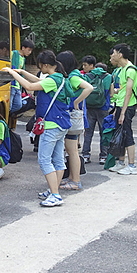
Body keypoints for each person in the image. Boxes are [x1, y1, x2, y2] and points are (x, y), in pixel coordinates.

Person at [3, 50, 73, 207]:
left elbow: (29, 86)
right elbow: (36, 81)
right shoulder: (59, 77)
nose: (40, 69)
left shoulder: (52, 80)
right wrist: (21, 71)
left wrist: (11, 73)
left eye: (40, 66)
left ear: (46, 65)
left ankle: (55, 195)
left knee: (44, 160)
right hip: (61, 124)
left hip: (51, 125)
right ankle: (54, 190)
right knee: (58, 161)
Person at [56, 51, 93, 191]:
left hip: (73, 118)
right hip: (75, 118)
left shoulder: (72, 77)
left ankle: (75, 180)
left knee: (72, 151)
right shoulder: (75, 75)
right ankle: (72, 178)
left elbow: (89, 88)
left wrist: (77, 101)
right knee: (71, 150)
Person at [108, 43, 137, 175]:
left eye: (114, 53)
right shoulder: (121, 69)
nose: (113, 55)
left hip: (128, 107)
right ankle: (121, 163)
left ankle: (132, 166)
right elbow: (120, 90)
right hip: (120, 106)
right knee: (120, 134)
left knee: (127, 135)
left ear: (120, 54)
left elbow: (128, 92)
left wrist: (123, 113)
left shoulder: (131, 69)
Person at [81, 55, 112, 165]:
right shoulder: (108, 76)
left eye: (85, 65)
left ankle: (85, 155)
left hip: (89, 107)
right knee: (104, 132)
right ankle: (103, 156)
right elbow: (110, 93)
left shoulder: (86, 77)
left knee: (88, 132)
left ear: (91, 65)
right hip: (103, 108)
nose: (83, 67)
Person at [9, 40, 35, 115]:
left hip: (18, 86)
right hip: (11, 84)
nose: (29, 52)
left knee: (18, 105)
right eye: (28, 50)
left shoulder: (23, 58)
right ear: (23, 48)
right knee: (9, 106)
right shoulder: (13, 53)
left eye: (31, 51)